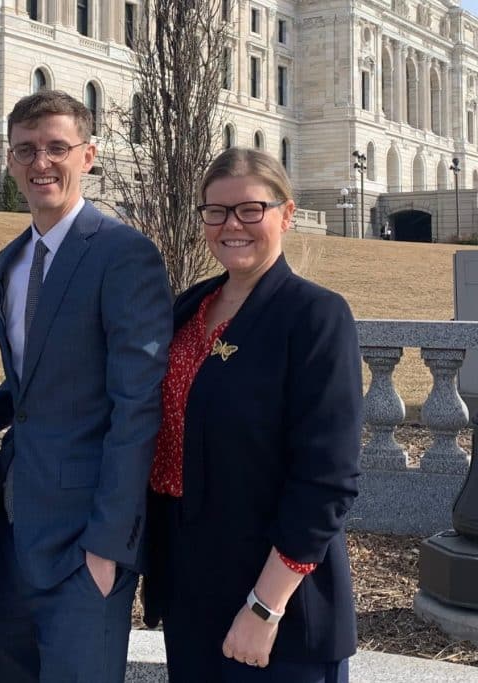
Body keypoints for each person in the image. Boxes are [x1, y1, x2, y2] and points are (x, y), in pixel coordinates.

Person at [142, 147, 362, 682]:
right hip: (190, 588)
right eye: (215, 211)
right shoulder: (189, 308)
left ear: (286, 215)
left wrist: (265, 607)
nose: (230, 225)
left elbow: (326, 480)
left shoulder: (314, 316)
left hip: (275, 603)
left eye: (250, 209)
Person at [0, 90, 173, 682]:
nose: (41, 163)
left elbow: (137, 405)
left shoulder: (125, 255)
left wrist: (108, 548)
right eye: (26, 150)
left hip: (86, 540)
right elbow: (32, 388)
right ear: (10, 159)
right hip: (13, 530)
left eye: (57, 148)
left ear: (88, 156)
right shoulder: (11, 261)